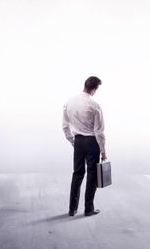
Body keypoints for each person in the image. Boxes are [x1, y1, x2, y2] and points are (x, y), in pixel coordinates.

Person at [62, 76, 107, 216]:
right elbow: (99, 131)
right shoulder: (95, 105)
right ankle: (88, 209)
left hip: (78, 142)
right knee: (92, 175)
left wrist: (73, 141)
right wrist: (103, 151)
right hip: (92, 142)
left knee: (77, 174)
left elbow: (65, 126)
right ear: (94, 89)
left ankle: (72, 209)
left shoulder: (69, 102)